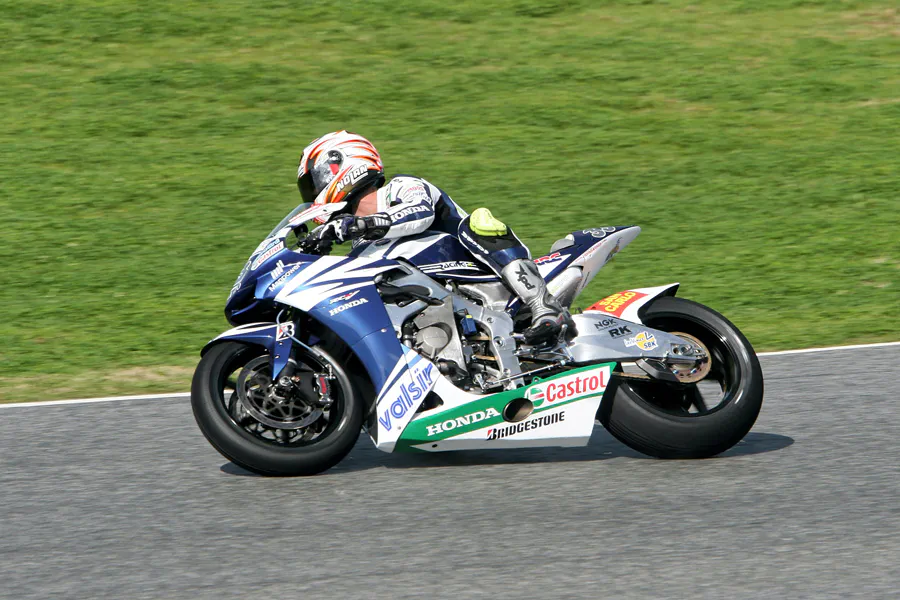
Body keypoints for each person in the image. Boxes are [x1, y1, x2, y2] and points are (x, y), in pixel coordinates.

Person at [297, 130, 574, 345]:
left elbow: (418, 213)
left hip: (479, 276)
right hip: (433, 307)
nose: (311, 197)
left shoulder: (400, 187)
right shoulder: (361, 247)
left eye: (312, 185)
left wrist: (353, 225)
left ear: (336, 167)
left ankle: (543, 304)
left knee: (479, 223)